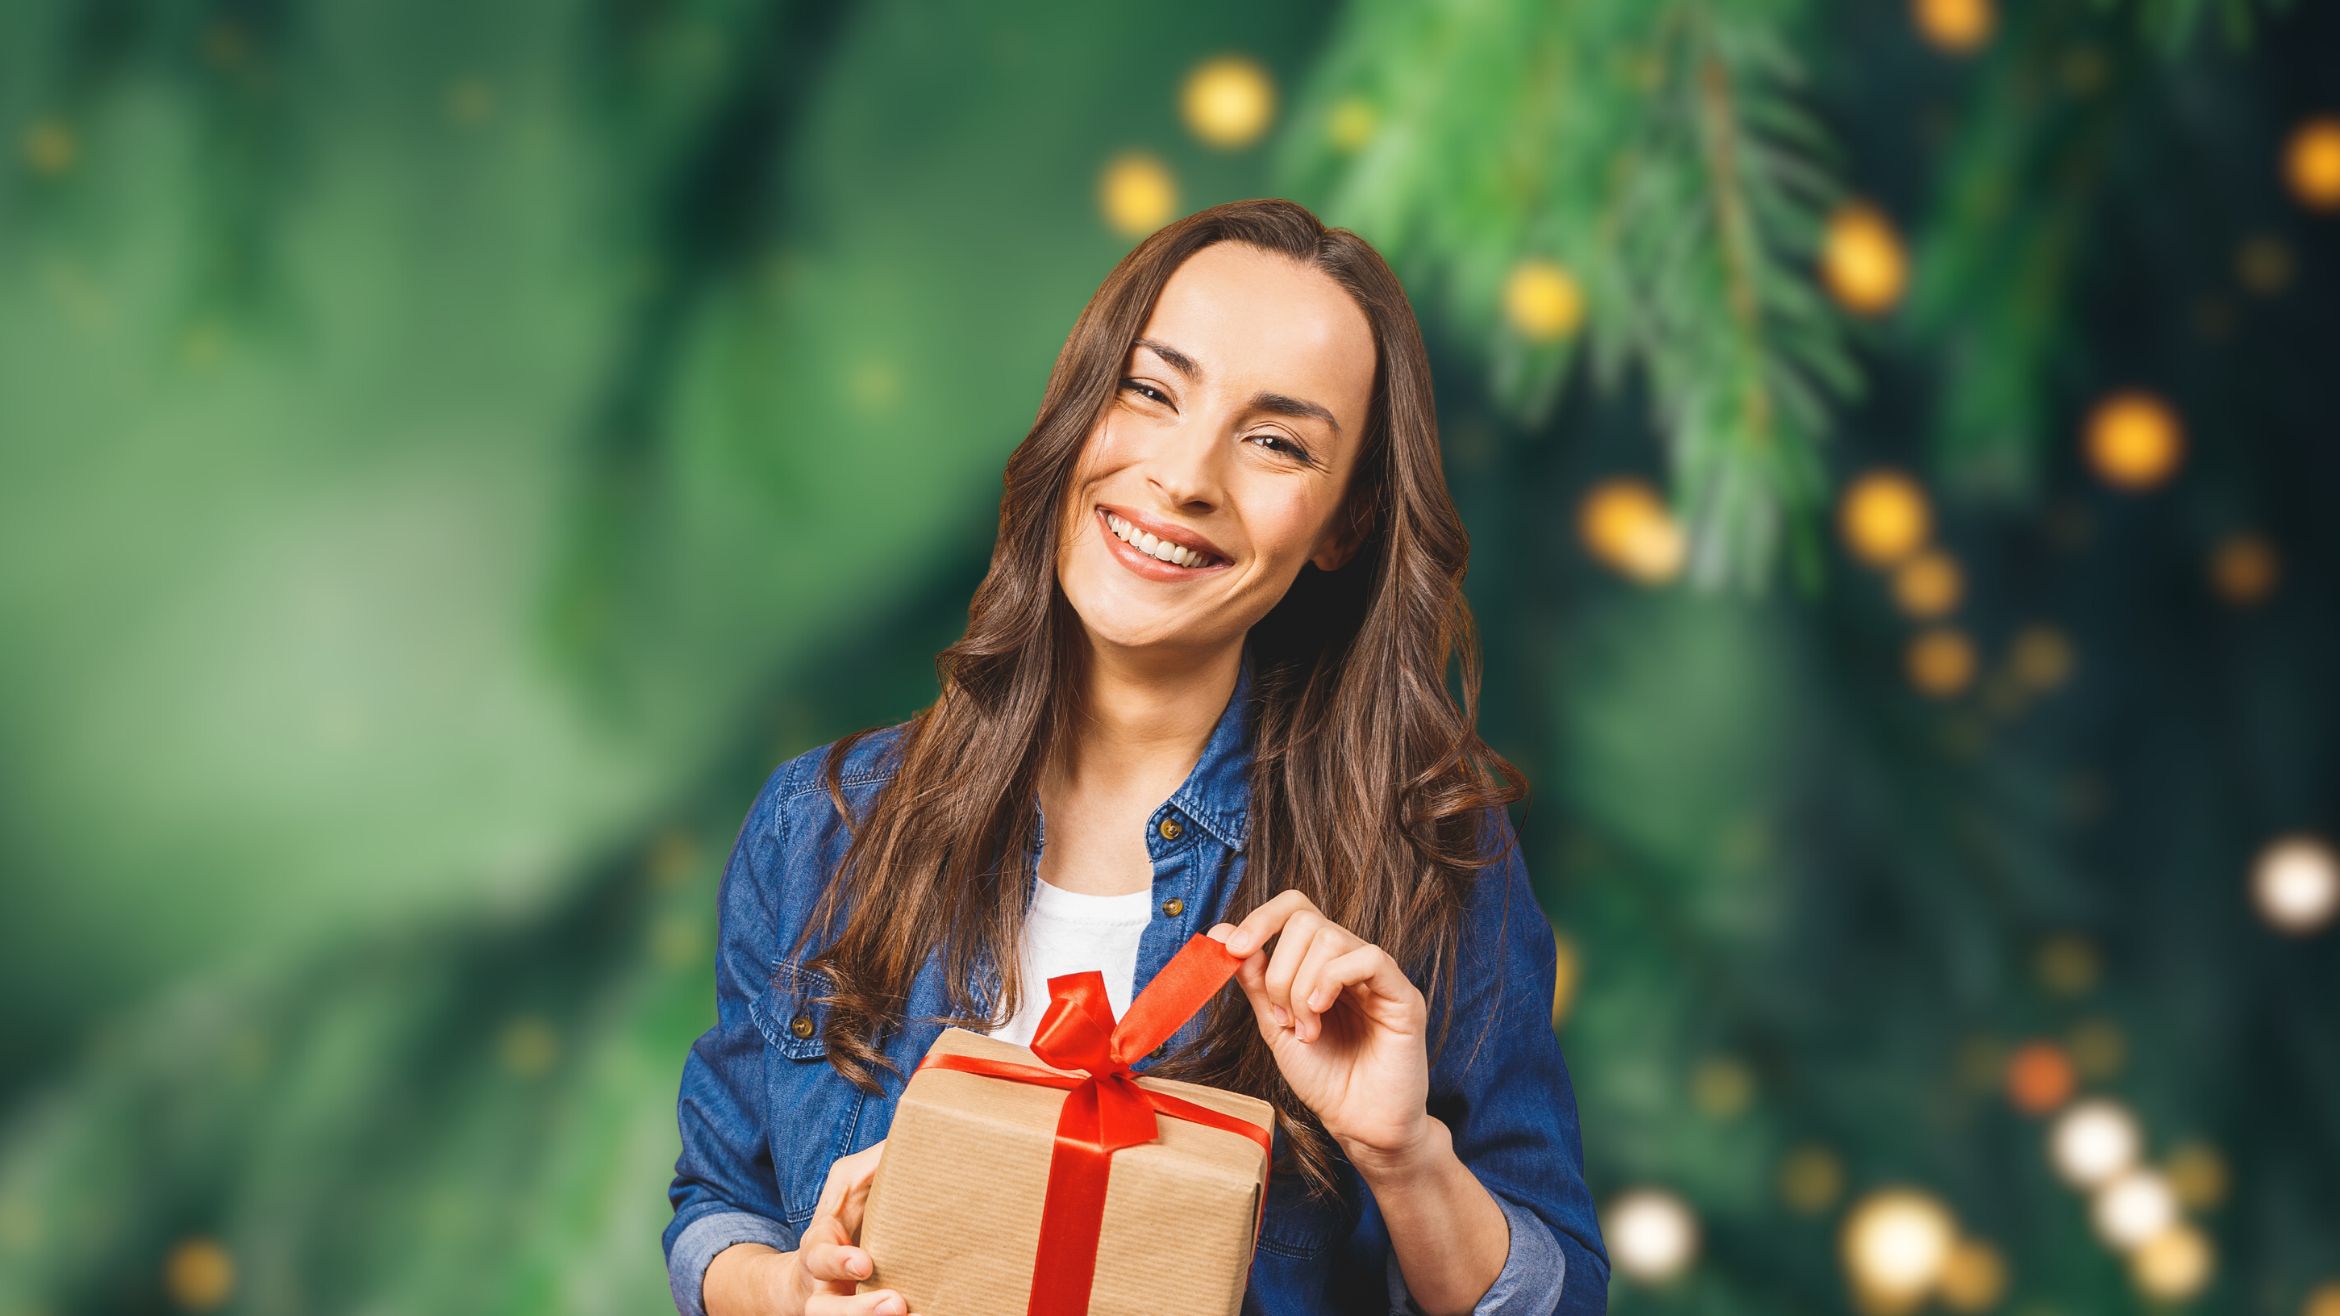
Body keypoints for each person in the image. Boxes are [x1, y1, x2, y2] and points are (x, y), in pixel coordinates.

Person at [662, 198, 1609, 1316]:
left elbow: (1557, 1295)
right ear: (1078, 411)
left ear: (1342, 524)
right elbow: (719, 1202)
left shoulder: (1429, 862)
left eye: (1276, 441)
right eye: (1152, 390)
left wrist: (1404, 1153)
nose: (1185, 474)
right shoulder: (822, 826)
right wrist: (789, 1291)